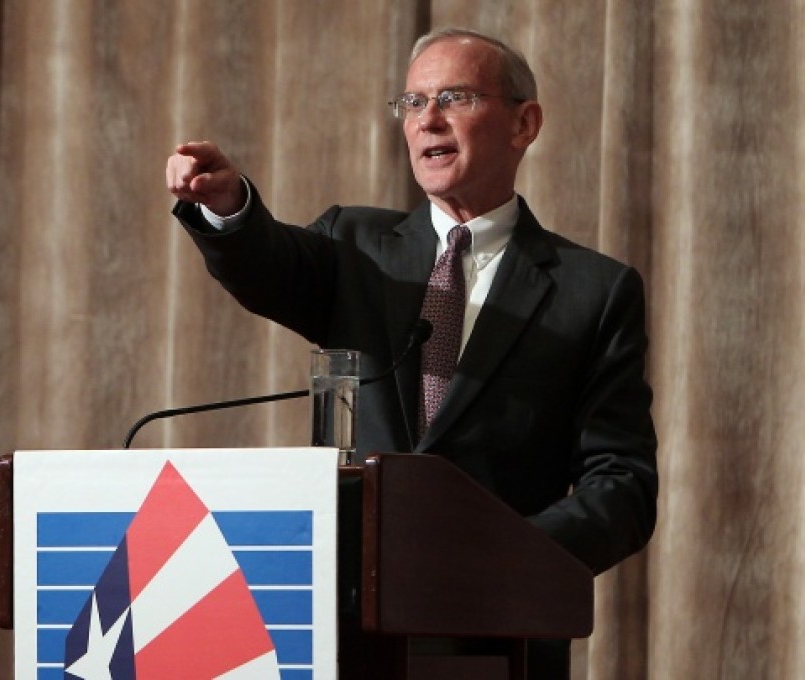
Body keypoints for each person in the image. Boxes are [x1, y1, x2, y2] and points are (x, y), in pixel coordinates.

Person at [165, 27, 658, 679]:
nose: (428, 119)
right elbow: (269, 265)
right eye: (412, 102)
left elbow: (622, 482)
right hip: (343, 628)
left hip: (495, 633)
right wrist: (228, 208)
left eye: (455, 97)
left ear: (523, 123)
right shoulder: (355, 246)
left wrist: (509, 558)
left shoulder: (592, 290)